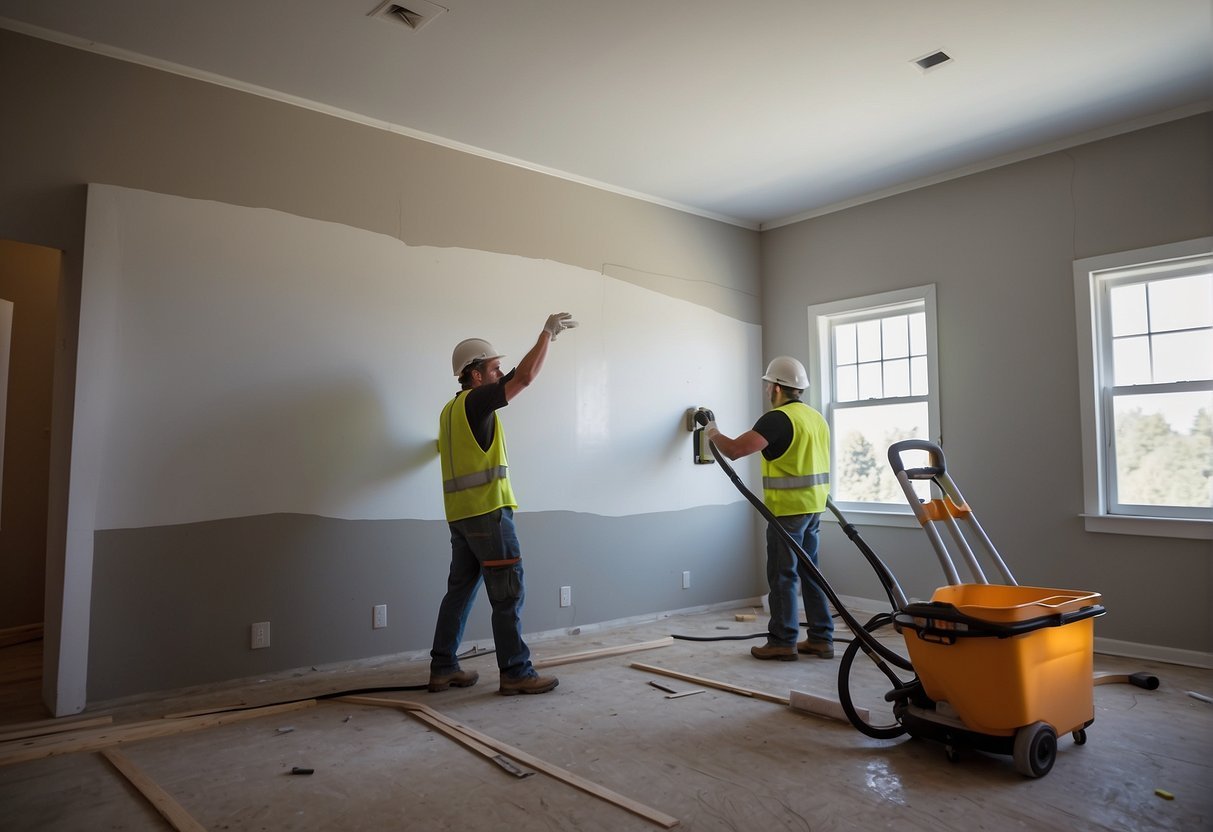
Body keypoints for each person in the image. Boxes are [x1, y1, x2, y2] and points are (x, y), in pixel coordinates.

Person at [429, 312, 578, 696]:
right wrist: (546, 334)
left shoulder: (449, 411)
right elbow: (524, 378)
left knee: (458, 592)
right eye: (494, 368)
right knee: (508, 592)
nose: (499, 373)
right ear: (475, 374)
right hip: (489, 516)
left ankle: (443, 668)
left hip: (460, 518)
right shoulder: (477, 402)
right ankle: (515, 671)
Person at [697, 356, 834, 660]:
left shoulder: (778, 419)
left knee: (783, 574)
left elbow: (735, 450)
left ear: (774, 387)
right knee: (811, 573)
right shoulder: (814, 418)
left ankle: (782, 641)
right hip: (814, 508)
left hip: (787, 512)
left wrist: (713, 432)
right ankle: (822, 638)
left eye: (767, 386)